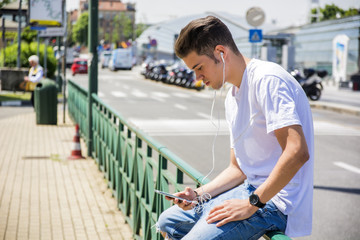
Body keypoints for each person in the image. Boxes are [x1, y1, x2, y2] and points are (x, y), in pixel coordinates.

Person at [156, 16, 314, 240]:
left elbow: (297, 151)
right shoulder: (233, 96)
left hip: (276, 202)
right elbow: (237, 169)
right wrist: (198, 195)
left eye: (199, 68)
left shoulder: (267, 79)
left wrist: (252, 204)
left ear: (221, 52)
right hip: (250, 191)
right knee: (168, 222)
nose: (197, 78)